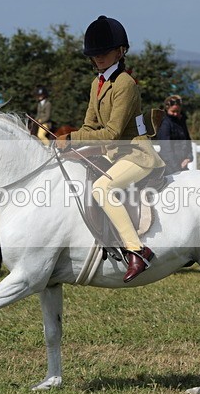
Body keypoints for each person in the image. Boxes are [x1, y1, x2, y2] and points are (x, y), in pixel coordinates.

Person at [55, 15, 165, 283]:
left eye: (104, 52)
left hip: (135, 154)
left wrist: (72, 138)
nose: (99, 58)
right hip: (111, 152)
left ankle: (138, 251)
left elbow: (114, 133)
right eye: (95, 54)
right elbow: (90, 125)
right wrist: (73, 142)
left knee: (102, 189)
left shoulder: (125, 84)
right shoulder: (97, 83)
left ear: (120, 51)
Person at [155, 94, 193, 174]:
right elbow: (166, 149)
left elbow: (187, 140)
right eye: (173, 111)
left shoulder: (182, 122)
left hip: (183, 165)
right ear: (167, 108)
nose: (175, 114)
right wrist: (177, 167)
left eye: (177, 111)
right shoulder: (165, 124)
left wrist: (189, 157)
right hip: (170, 167)